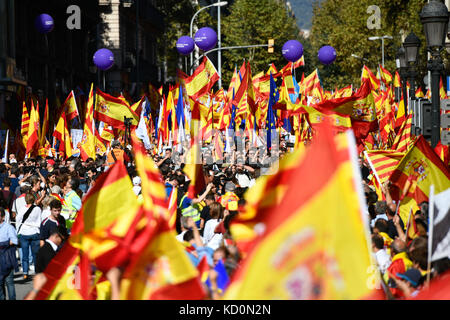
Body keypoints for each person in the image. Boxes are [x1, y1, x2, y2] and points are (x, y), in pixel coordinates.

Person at [16, 193, 42, 280]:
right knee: (35, 254)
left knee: (25, 255)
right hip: (34, 231)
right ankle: (37, 272)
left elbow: (18, 219)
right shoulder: (37, 209)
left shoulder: (22, 208)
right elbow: (39, 220)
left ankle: (25, 273)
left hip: (24, 232)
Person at [0, 207, 18, 300]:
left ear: (2, 217)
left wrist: (3, 244)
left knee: (9, 282)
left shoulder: (8, 227)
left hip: (7, 257)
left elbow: (14, 241)